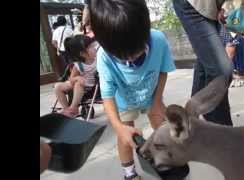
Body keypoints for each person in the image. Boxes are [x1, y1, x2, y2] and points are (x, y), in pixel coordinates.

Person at [88, 0, 176, 179]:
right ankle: (129, 172)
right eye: (121, 56)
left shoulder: (158, 40)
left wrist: (158, 101)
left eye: (135, 51)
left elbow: (163, 71)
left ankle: (168, 161)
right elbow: (107, 96)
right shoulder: (104, 57)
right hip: (125, 101)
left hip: (152, 94)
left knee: (162, 126)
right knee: (125, 135)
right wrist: (118, 127)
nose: (129, 59)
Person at [173, 0, 234, 125]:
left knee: (206, 66)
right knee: (221, 73)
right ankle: (224, 135)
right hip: (194, 5)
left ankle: (191, 121)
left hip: (214, 8)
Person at [54, 35, 97, 118]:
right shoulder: (78, 65)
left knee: (78, 84)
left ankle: (73, 108)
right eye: (91, 47)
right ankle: (67, 109)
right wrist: (77, 78)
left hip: (91, 85)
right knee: (57, 86)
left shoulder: (98, 60)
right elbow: (71, 79)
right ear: (83, 54)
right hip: (80, 83)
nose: (95, 48)